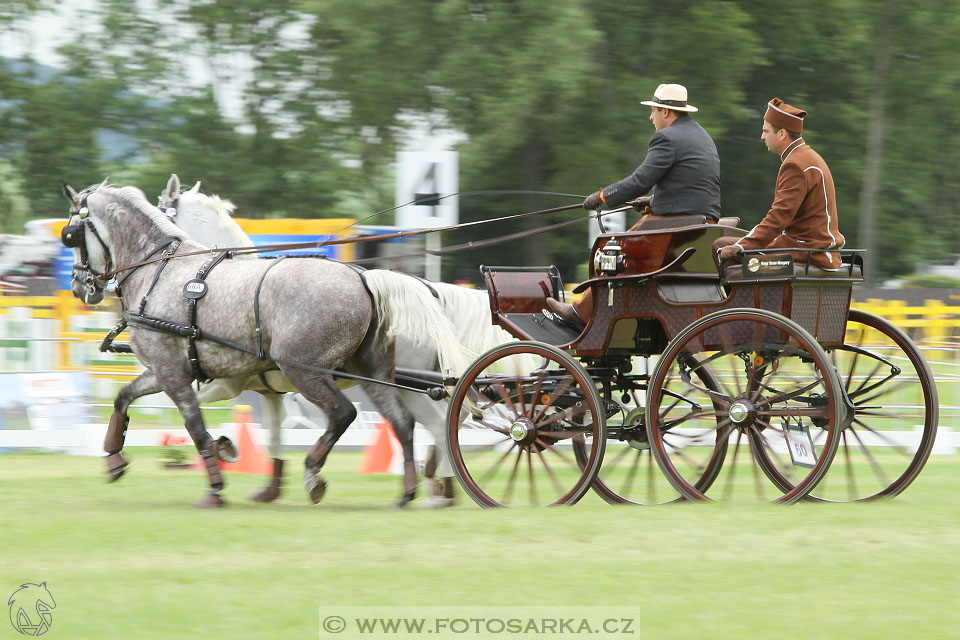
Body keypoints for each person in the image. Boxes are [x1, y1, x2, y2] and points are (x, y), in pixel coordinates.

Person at [546, 83, 721, 330]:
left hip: (678, 228)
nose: (651, 117)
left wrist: (603, 196)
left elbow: (640, 181)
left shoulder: (667, 138)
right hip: (702, 225)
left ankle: (581, 313)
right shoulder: (702, 136)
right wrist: (653, 201)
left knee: (614, 253)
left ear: (667, 113)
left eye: (654, 111)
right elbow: (692, 188)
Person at [713, 98, 844, 271]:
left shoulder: (795, 164)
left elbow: (779, 217)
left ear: (782, 134)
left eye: (766, 131)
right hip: (815, 248)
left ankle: (744, 299)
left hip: (806, 251)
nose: (762, 137)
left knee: (721, 245)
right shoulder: (808, 157)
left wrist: (742, 246)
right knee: (734, 244)